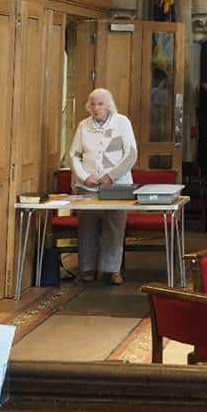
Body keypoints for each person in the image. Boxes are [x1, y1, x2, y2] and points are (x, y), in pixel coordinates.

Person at [69, 88, 138, 285]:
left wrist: (111, 176)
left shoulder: (122, 122)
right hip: (88, 186)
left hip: (117, 185)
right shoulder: (83, 126)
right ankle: (87, 269)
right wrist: (84, 177)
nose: (96, 108)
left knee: (115, 226)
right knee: (87, 226)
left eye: (100, 104)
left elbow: (131, 153)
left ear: (108, 105)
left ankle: (111, 270)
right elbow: (74, 155)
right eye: (93, 104)